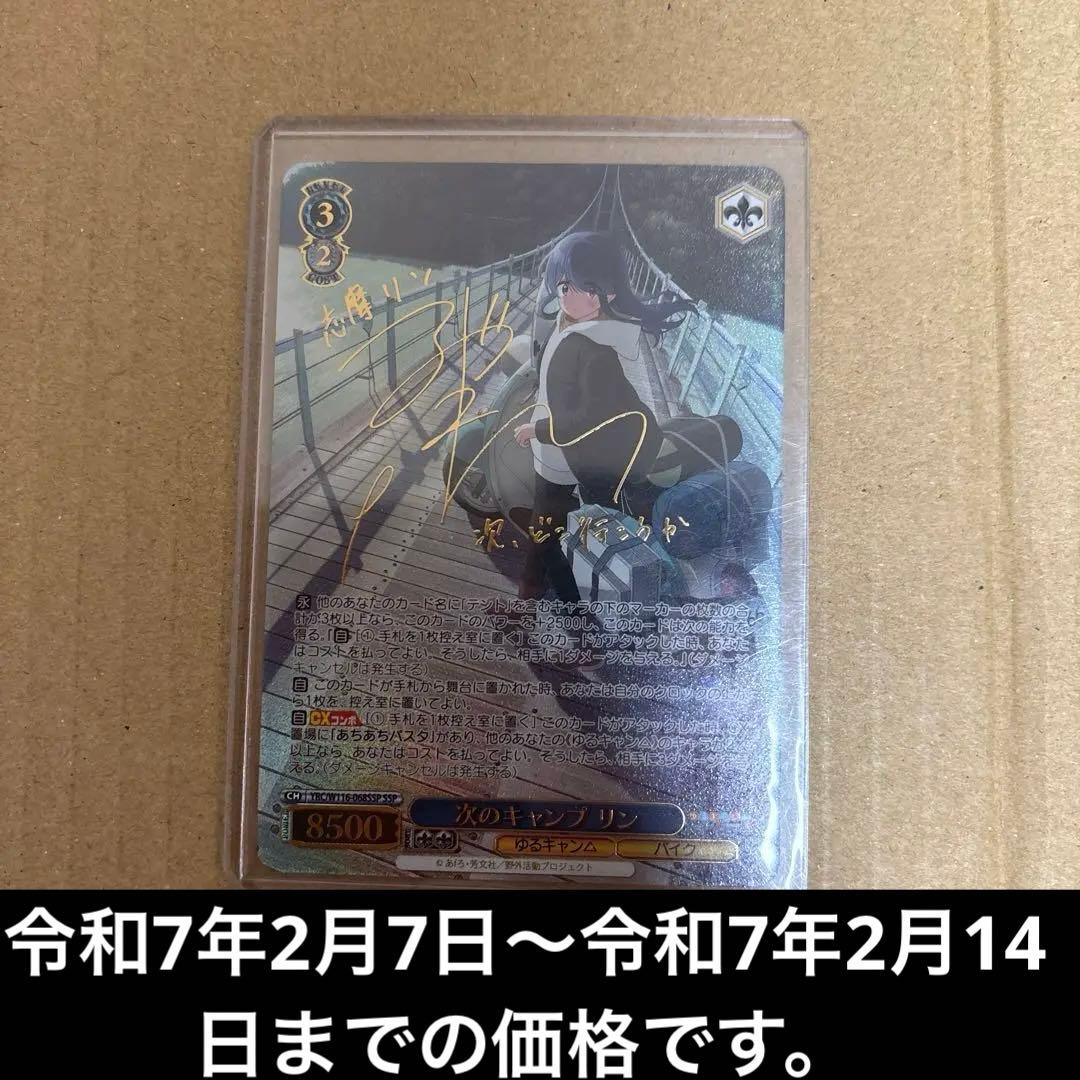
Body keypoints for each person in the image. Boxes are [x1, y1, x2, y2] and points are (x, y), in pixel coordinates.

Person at [512, 230, 695, 608]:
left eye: (575, 287)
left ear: (606, 294)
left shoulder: (594, 349)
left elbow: (588, 417)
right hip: (573, 454)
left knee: (551, 533)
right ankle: (538, 596)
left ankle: (561, 616)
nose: (563, 294)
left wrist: (537, 429)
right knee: (552, 527)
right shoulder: (577, 327)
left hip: (569, 454)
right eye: (562, 285)